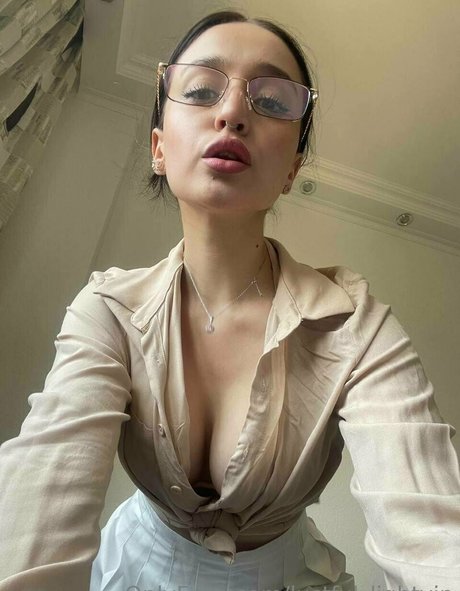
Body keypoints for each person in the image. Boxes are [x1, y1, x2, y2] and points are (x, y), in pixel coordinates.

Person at [0, 9, 459, 591]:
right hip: (129, 568)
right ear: (159, 148)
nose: (233, 112)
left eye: (271, 101)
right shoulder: (109, 308)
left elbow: (432, 536)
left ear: (292, 169)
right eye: (200, 90)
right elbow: (41, 492)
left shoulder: (354, 325)